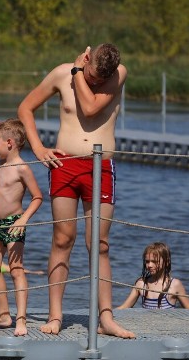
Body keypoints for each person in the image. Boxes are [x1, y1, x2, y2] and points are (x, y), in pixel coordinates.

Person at [17, 43, 135, 338]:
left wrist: (78, 72)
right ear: (87, 57)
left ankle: (106, 318)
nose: (95, 83)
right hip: (65, 165)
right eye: (92, 76)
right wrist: (38, 147)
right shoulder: (61, 74)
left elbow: (91, 106)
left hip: (101, 166)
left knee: (99, 243)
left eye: (99, 80)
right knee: (62, 238)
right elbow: (26, 108)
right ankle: (55, 315)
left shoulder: (117, 73)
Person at [0, 119, 44, 336]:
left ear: (10, 143)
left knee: (16, 270)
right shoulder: (1, 165)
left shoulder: (22, 168)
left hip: (13, 225)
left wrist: (23, 220)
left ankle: (21, 319)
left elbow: (38, 197)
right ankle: (4, 315)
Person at [116, 242, 189, 309]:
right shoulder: (141, 283)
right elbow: (124, 307)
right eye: (147, 261)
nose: (149, 265)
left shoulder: (174, 284)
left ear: (166, 262)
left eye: (154, 261)